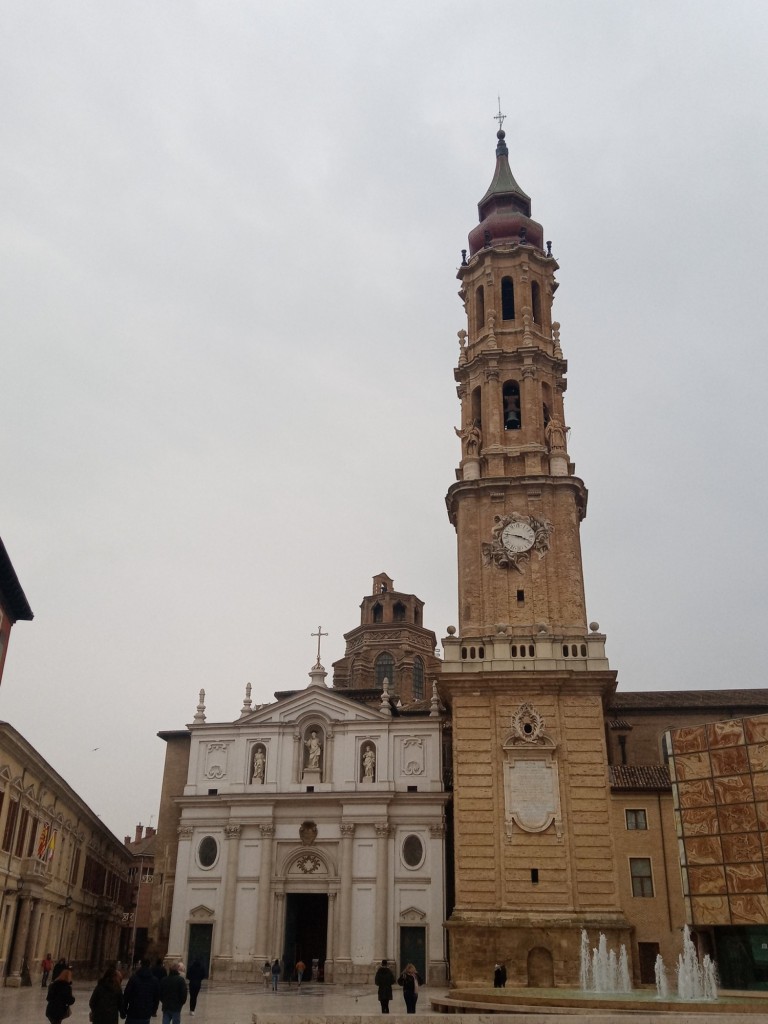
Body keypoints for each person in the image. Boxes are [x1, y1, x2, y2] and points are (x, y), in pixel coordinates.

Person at [122, 958, 161, 1024]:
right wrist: (154, 1010)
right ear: (149, 966)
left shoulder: (133, 978)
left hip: (133, 1011)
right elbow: (156, 997)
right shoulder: (155, 981)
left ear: (141, 965)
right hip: (146, 1013)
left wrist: (124, 1009)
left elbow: (126, 995)